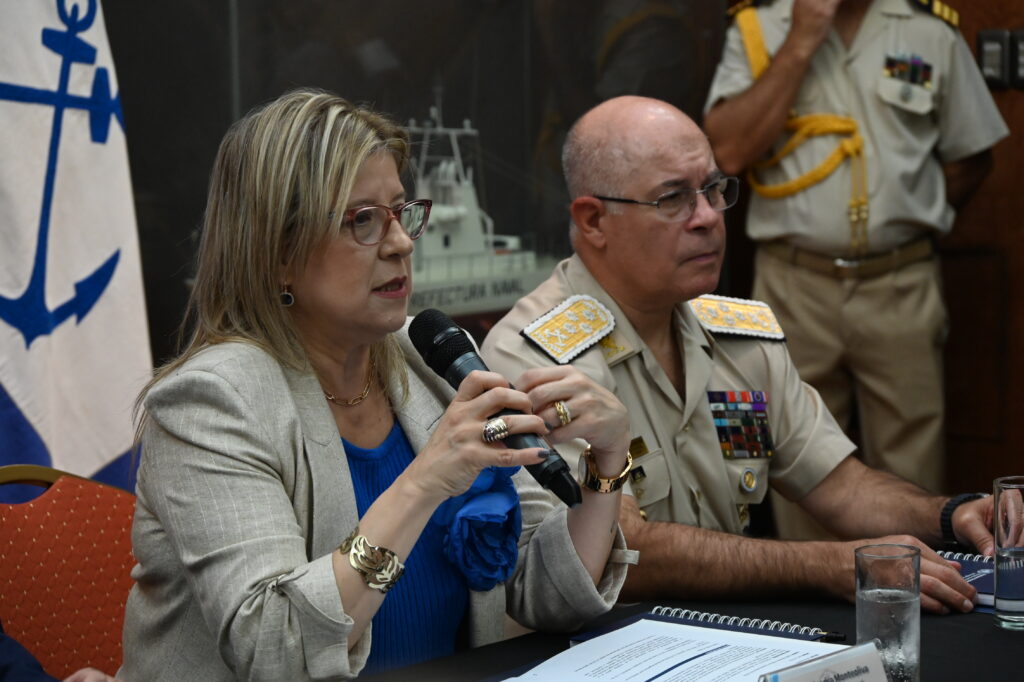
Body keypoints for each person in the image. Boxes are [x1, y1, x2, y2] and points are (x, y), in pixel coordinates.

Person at [119, 89, 635, 681]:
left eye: (399, 211)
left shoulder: (429, 357)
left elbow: (549, 593)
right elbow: (276, 648)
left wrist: (607, 464)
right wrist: (422, 483)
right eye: (362, 220)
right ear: (278, 253)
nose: (401, 243)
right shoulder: (211, 403)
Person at [480, 94, 995, 615]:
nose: (707, 217)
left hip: (737, 635)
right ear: (594, 221)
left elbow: (842, 487)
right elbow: (619, 548)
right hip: (608, 644)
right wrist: (827, 565)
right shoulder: (536, 355)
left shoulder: (739, 337)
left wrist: (953, 514)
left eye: (713, 190)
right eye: (673, 199)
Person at [702, 0, 1009, 539]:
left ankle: (916, 584)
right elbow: (725, 151)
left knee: (914, 468)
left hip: (899, 280)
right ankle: (813, 587)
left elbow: (971, 157)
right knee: (791, 461)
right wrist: (803, 38)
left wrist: (905, 218)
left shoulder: (929, 29)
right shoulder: (757, 26)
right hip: (791, 282)